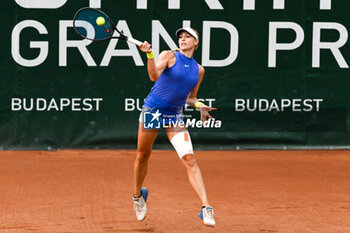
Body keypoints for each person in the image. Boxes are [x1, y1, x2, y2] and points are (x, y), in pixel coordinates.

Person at [132, 27, 217, 227]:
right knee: (142, 155)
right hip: (153, 110)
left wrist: (199, 105)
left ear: (196, 42)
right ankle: (137, 196)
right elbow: (153, 76)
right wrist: (150, 55)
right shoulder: (169, 55)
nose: (183, 39)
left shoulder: (199, 70)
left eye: (188, 37)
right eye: (181, 36)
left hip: (174, 115)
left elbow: (190, 97)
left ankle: (206, 207)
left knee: (189, 158)